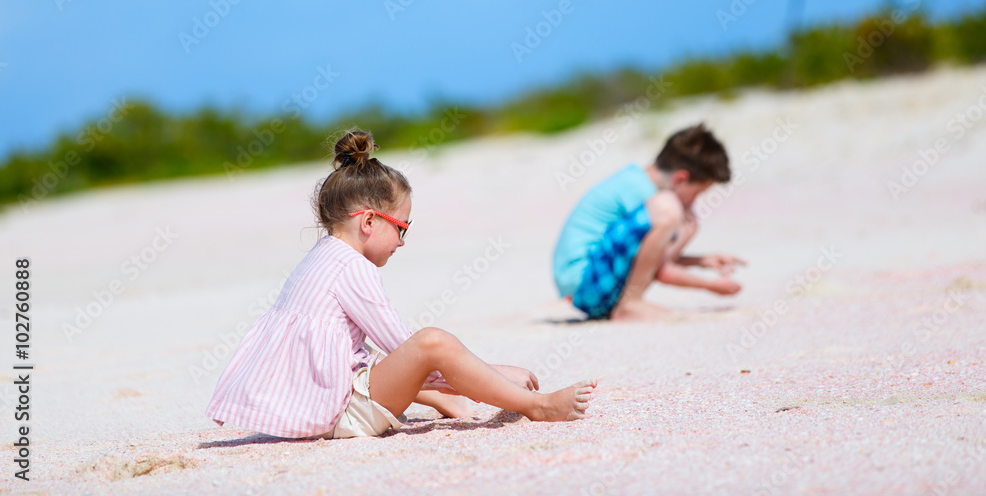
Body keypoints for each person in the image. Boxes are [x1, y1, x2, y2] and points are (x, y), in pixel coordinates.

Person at [206, 129, 596, 440]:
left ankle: (450, 400)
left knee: (386, 358)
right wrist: (495, 374)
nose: (403, 241)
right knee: (433, 342)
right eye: (402, 227)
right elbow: (409, 348)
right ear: (369, 222)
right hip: (335, 412)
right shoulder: (352, 268)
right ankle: (539, 406)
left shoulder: (321, 257)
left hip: (309, 399)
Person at [553, 123, 747, 322]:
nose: (693, 202)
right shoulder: (644, 192)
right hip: (587, 282)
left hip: (590, 287)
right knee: (669, 207)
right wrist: (711, 286)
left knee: (670, 211)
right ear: (680, 179)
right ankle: (631, 305)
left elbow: (648, 258)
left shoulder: (636, 182)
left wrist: (702, 261)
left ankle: (630, 303)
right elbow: (663, 270)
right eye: (696, 193)